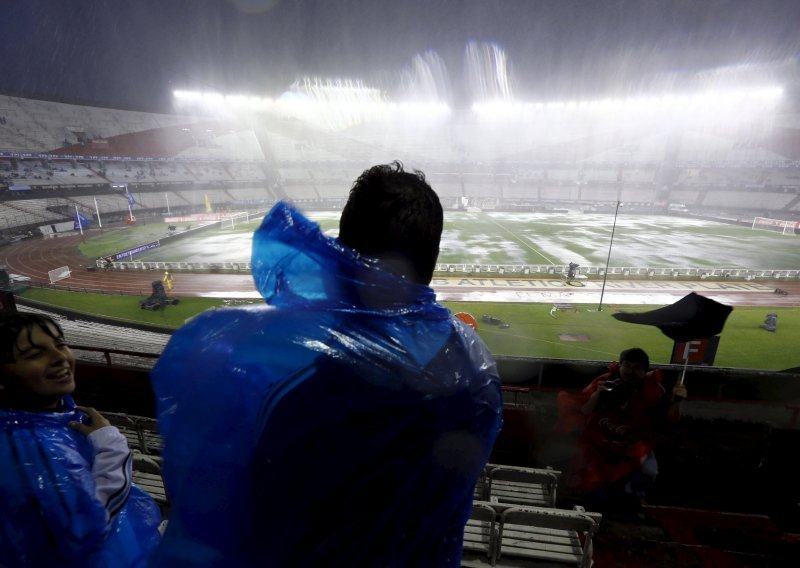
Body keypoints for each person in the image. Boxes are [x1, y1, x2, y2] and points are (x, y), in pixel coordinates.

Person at [151, 161, 503, 567]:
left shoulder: (290, 387)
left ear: (344, 255)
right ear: (432, 256)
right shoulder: (477, 372)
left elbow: (242, 515)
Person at [0, 312, 161, 567]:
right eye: (35, 354)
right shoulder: (32, 447)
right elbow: (84, 530)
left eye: (60, 343)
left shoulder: (48, 416)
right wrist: (111, 446)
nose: (59, 357)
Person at [556, 347, 686, 509]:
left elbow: (668, 420)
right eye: (627, 365)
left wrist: (677, 402)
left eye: (637, 367)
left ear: (645, 372)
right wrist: (597, 395)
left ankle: (632, 498)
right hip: (598, 441)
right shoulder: (605, 381)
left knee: (649, 472)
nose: (630, 371)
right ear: (620, 366)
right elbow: (584, 410)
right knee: (588, 480)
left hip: (631, 444)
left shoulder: (653, 391)